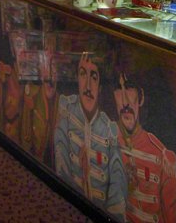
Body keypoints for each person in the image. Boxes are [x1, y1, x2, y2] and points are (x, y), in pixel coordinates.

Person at [53, 51, 126, 220]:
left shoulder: (110, 130)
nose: (87, 86)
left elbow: (117, 191)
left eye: (93, 77)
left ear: (100, 86)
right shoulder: (66, 110)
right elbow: (61, 164)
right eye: (82, 74)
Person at [114, 67, 176, 223]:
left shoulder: (163, 156)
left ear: (141, 97)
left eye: (129, 89)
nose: (124, 102)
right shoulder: (108, 138)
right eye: (118, 90)